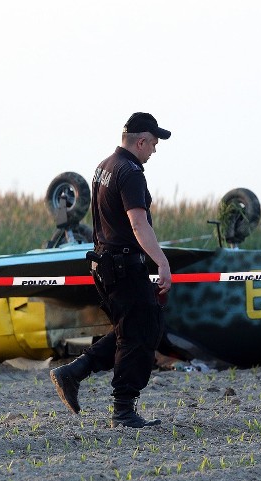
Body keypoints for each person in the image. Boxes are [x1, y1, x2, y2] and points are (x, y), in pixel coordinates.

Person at [50, 112, 172, 428]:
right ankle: (123, 410)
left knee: (131, 329)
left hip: (105, 263)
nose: (154, 151)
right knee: (140, 333)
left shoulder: (104, 167)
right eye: (154, 143)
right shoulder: (131, 172)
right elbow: (137, 223)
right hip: (123, 265)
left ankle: (73, 372)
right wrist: (161, 261)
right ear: (141, 140)